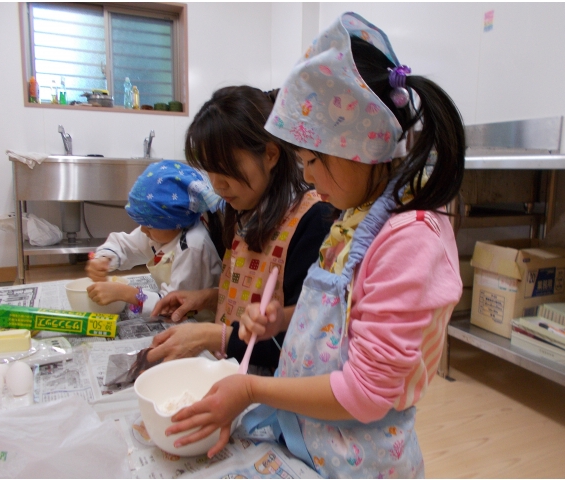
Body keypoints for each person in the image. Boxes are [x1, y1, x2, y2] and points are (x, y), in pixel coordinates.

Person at [162, 12, 465, 479]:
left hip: (356, 458)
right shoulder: (356, 218)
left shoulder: (409, 241)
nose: (308, 177)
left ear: (362, 146)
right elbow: (344, 319)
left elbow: (367, 391)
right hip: (311, 437)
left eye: (314, 161)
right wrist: (281, 320)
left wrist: (249, 391)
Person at [147, 86, 336, 371]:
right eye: (209, 170)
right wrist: (209, 297)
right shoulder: (243, 208)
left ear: (271, 155)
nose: (217, 184)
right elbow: (255, 295)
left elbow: (300, 336)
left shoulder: (312, 220)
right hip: (231, 369)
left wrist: (215, 336)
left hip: (271, 389)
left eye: (227, 168)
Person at [85, 160, 222, 317]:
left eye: (149, 226)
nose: (143, 230)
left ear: (174, 222)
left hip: (198, 322)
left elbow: (174, 305)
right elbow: (124, 245)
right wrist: (104, 259)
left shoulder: (192, 246)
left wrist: (127, 293)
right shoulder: (161, 232)